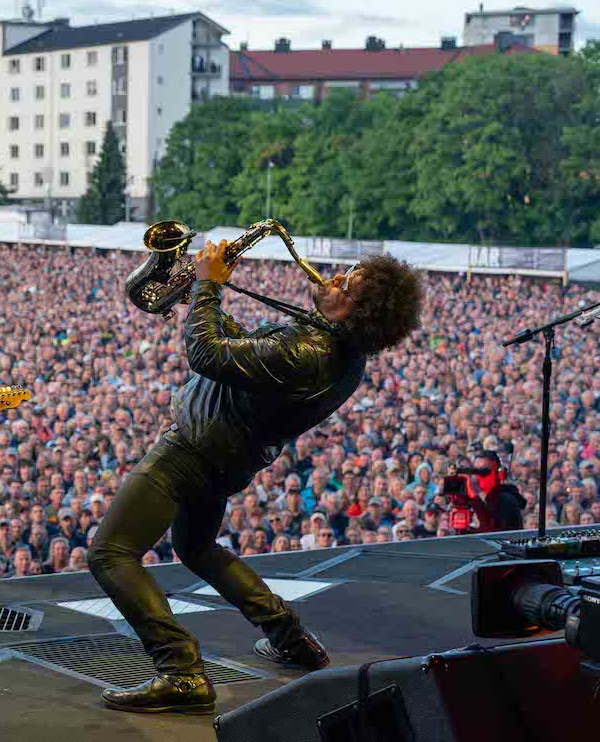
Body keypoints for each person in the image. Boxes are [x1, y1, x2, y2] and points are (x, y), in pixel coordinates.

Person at [86, 246, 424, 714]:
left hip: (192, 450)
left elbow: (207, 355)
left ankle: (181, 670)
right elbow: (252, 357)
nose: (332, 280)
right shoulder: (342, 352)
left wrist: (208, 287)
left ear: (357, 312)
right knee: (197, 548)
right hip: (227, 456)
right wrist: (198, 299)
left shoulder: (310, 351)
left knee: (109, 553)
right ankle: (291, 637)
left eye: (346, 284)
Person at [469, 449, 528, 532]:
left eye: (483, 471)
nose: (477, 476)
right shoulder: (475, 496)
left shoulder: (507, 497)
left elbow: (494, 528)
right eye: (475, 470)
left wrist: (479, 492)